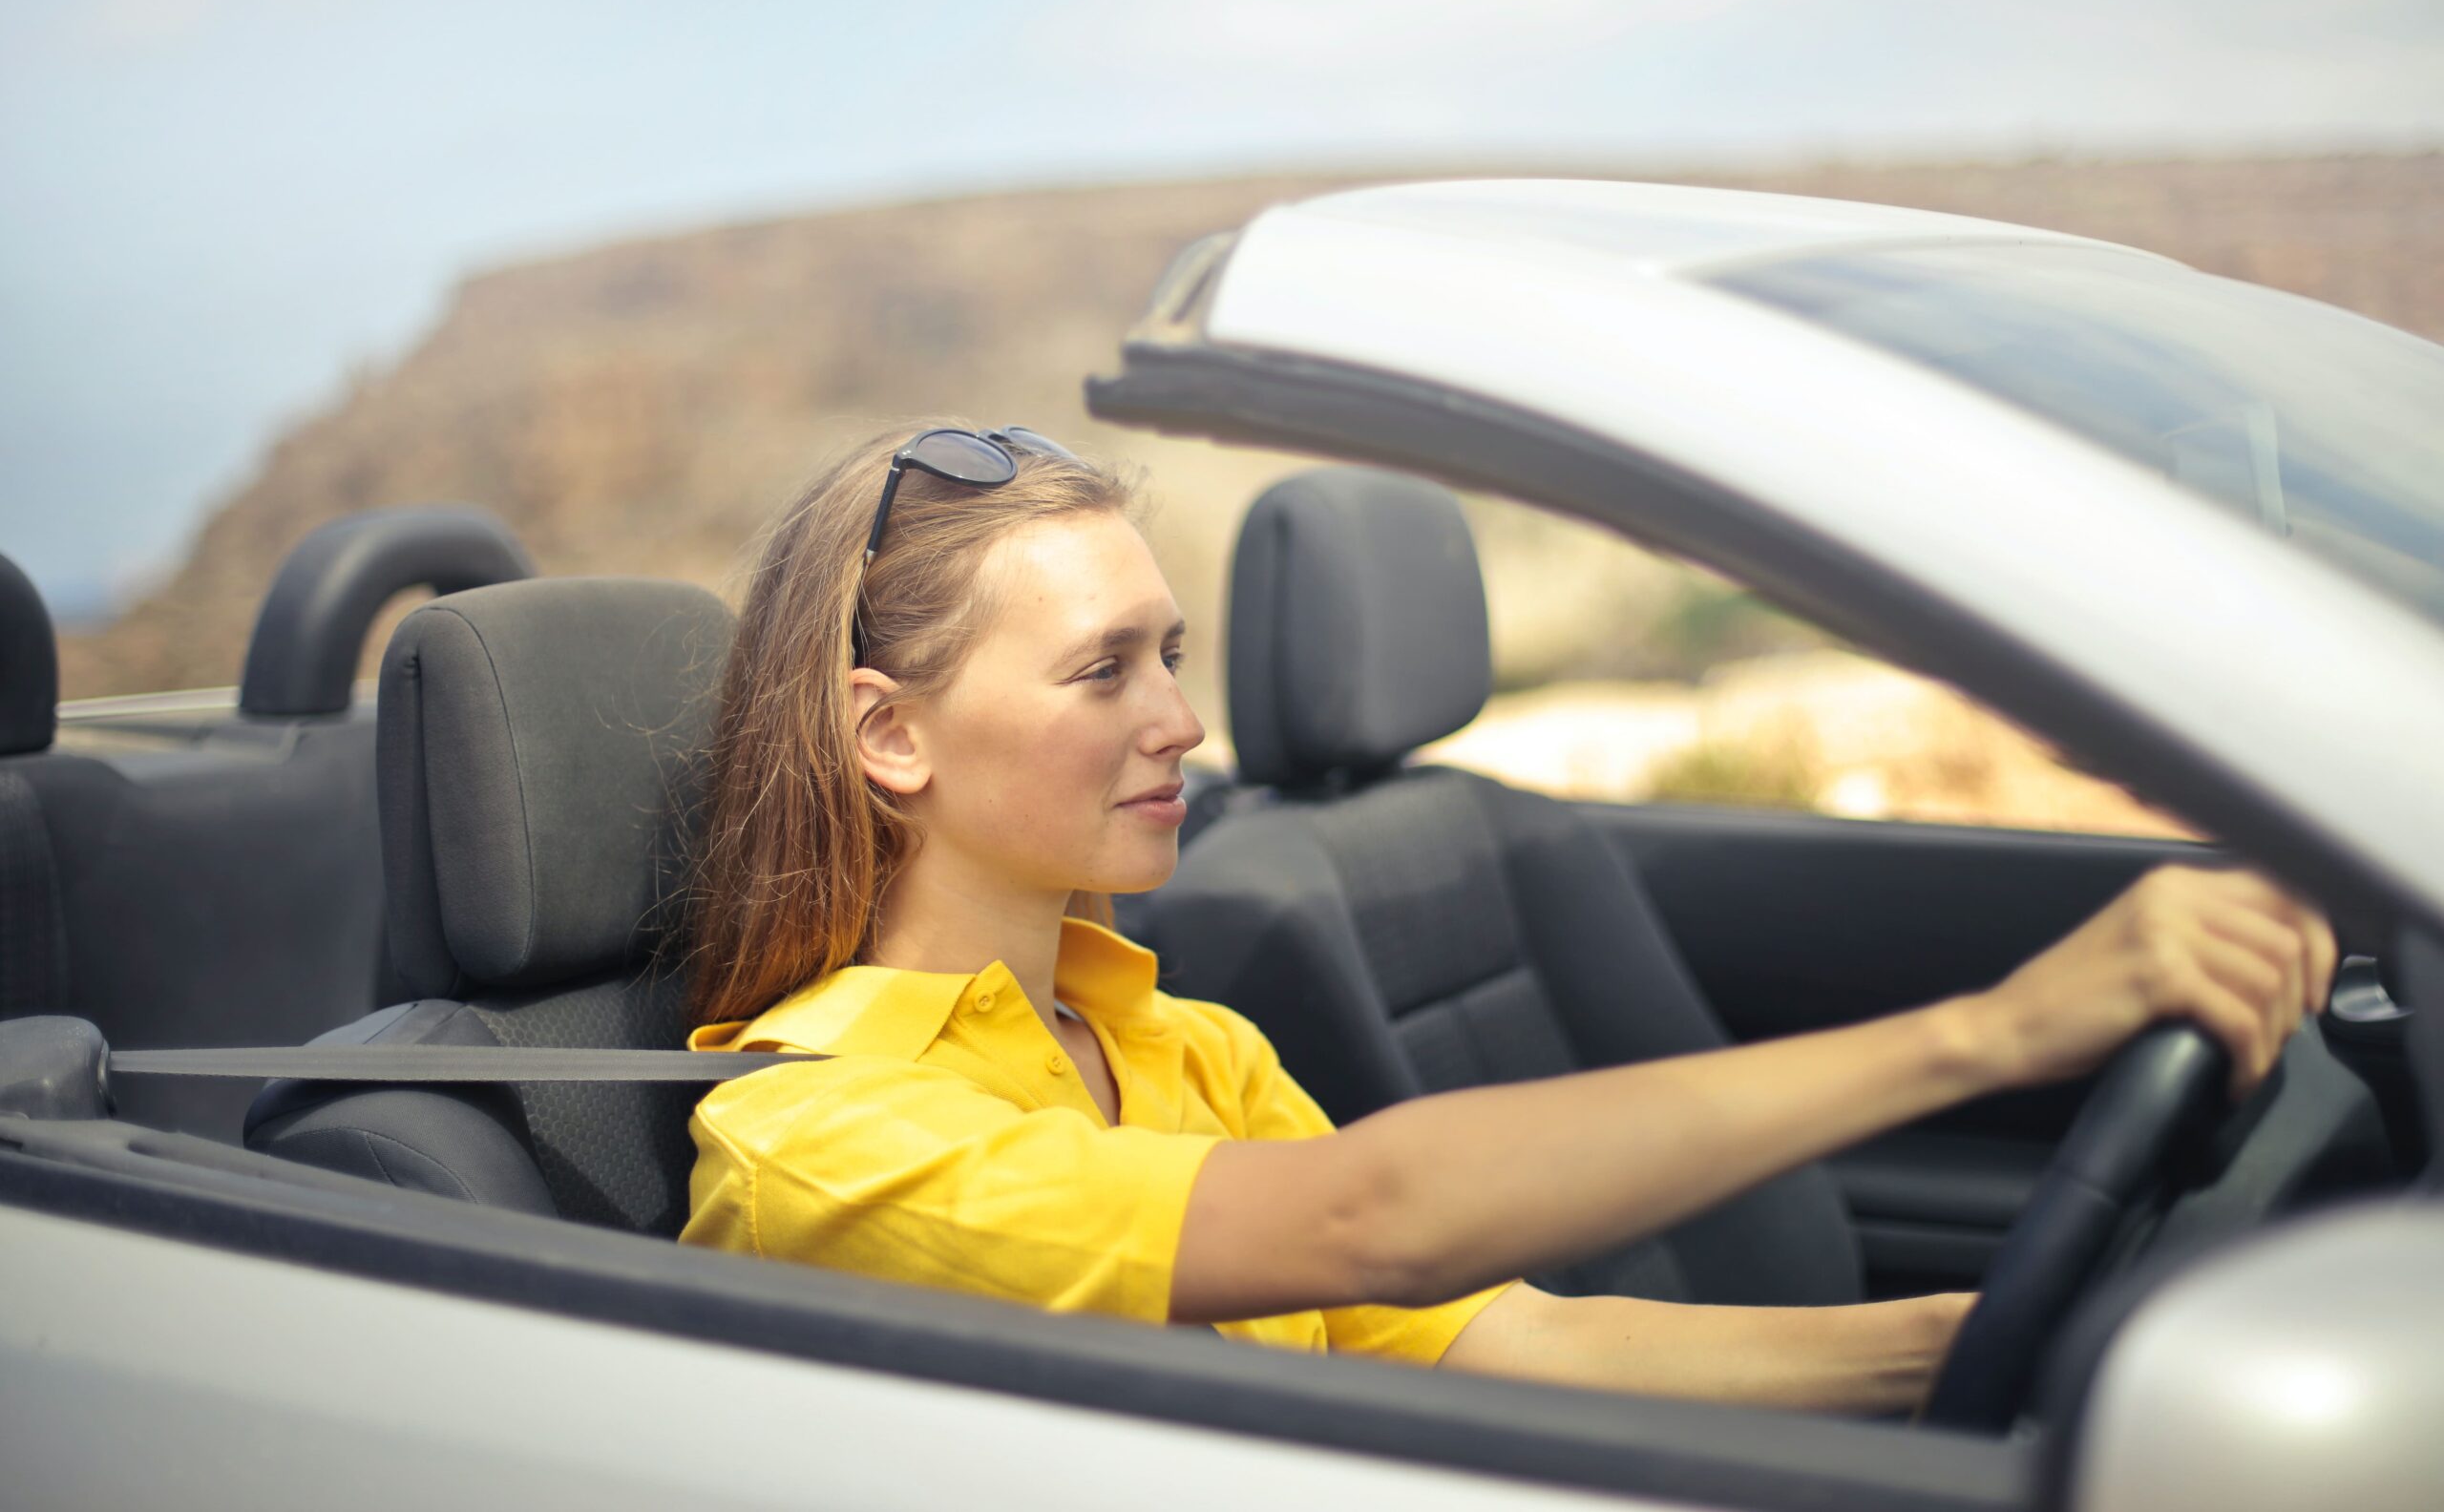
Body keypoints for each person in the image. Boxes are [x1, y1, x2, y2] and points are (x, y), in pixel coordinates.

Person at [676, 423, 2335, 1414]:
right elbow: (1368, 1221)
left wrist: (2003, 1344)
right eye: (1103, 670)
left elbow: (1510, 1342)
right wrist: (1989, 1035)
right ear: (889, 732)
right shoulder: (822, 1136)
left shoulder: (1179, 1046)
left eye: (1171, 654)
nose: (1180, 720)